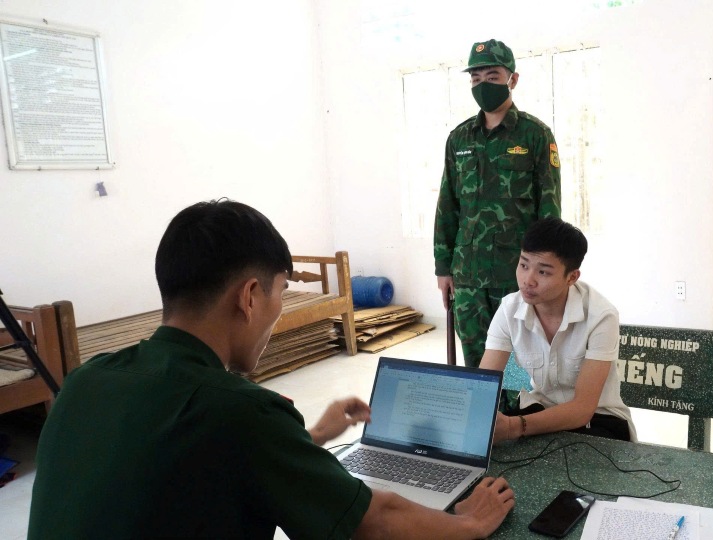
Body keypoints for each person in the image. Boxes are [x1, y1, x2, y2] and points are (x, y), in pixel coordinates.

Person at [28, 200, 515, 540]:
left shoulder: (85, 381)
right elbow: (374, 523)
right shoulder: (241, 411)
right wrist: (467, 523)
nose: (280, 306)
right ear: (249, 296)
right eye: (281, 291)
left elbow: (195, 463)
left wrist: (309, 438)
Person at [434, 38, 562, 369]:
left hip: (517, 277)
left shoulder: (535, 135)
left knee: (518, 364)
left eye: (492, 77)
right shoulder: (459, 138)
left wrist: (546, 272)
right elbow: (447, 205)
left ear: (512, 79)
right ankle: (485, 421)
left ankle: (516, 420)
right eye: (475, 79)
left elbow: (549, 210)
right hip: (468, 276)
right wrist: (443, 267)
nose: (482, 85)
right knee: (477, 362)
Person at [478, 217, 636, 443]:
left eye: (543, 272)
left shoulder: (601, 316)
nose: (527, 280)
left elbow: (582, 409)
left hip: (598, 421)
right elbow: (483, 387)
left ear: (572, 277)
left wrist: (514, 426)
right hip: (537, 412)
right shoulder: (509, 310)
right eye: (523, 265)